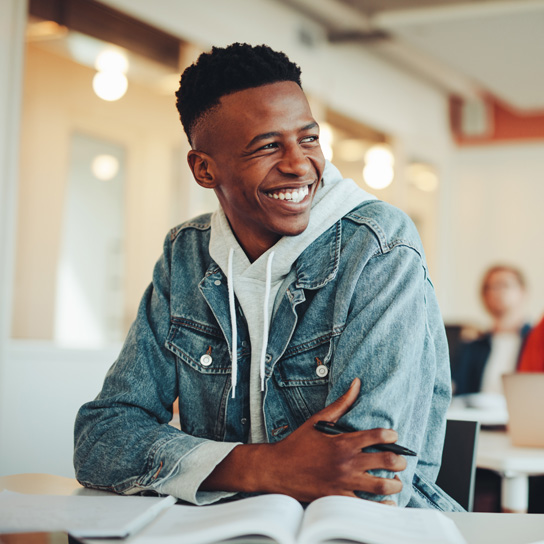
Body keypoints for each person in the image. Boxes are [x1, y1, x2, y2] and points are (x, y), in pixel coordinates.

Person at [74, 43, 460, 511]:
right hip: (223, 527)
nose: (299, 164)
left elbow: (372, 479)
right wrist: (265, 466)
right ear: (204, 169)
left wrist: (212, 466)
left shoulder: (378, 244)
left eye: (309, 138)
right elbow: (101, 438)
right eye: (268, 145)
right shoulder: (187, 255)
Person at [452, 265, 531, 396]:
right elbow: (459, 390)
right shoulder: (473, 346)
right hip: (477, 415)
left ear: (522, 291)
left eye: (503, 285)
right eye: (489, 287)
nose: (495, 292)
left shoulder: (536, 342)